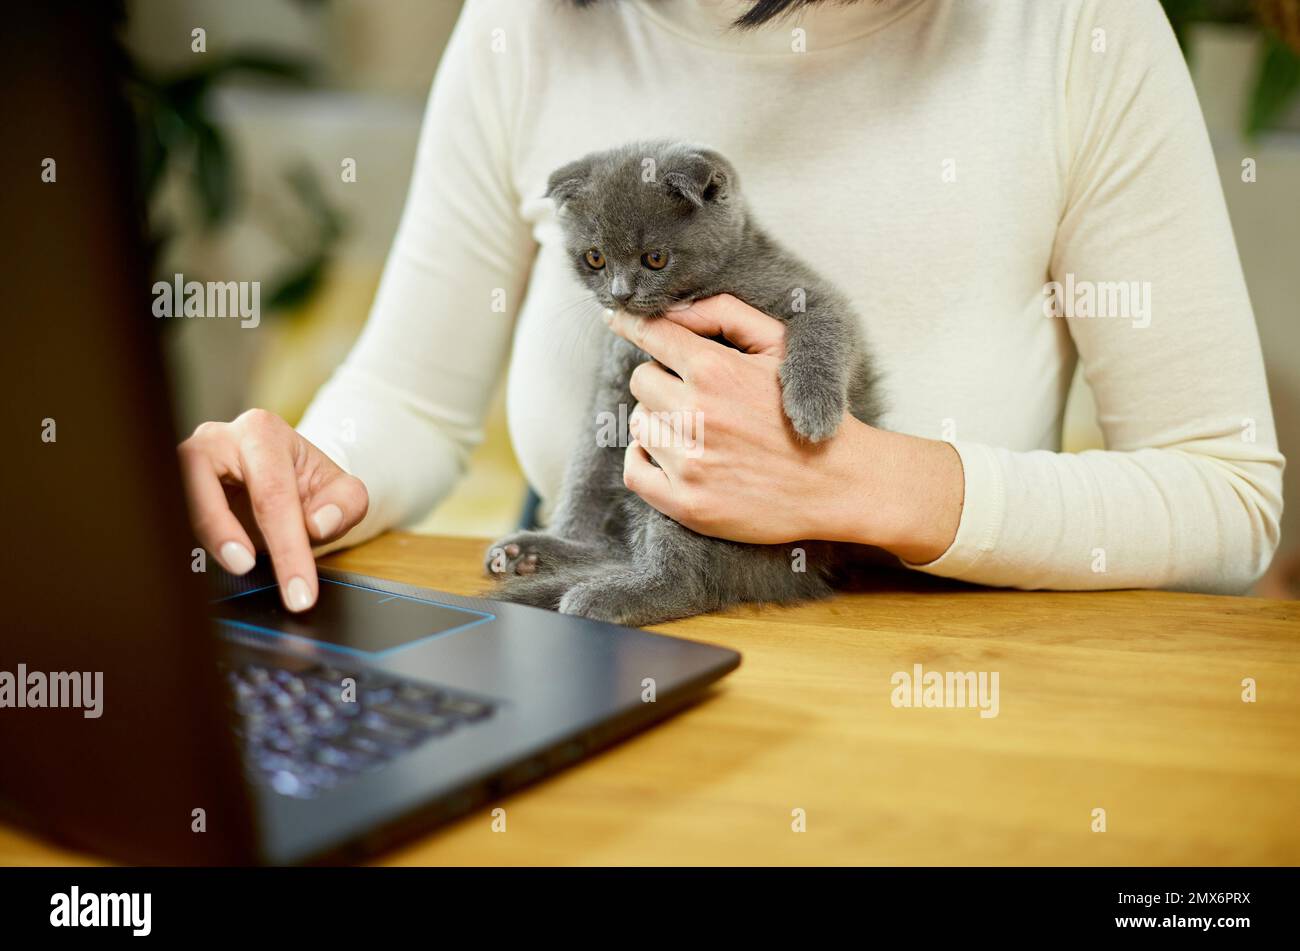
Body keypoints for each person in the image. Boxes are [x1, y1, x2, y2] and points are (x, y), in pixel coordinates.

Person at [178, 0, 1284, 613]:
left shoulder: (1074, 30)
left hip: (936, 720)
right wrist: (311, 475)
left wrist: (867, 480)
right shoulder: (530, 24)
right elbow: (410, 399)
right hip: (599, 696)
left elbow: (1228, 501)